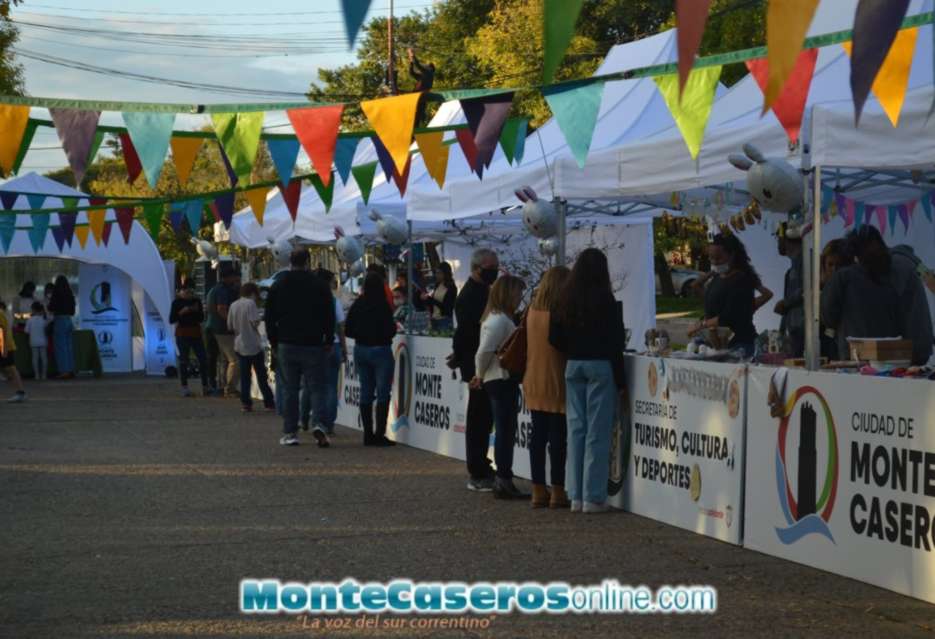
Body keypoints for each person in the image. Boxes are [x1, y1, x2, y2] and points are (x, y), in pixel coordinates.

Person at [549, 248, 625, 514]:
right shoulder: (606, 300)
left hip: (573, 365)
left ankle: (575, 494)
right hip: (601, 366)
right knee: (597, 432)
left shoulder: (564, 299)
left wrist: (573, 348)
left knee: (576, 429)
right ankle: (593, 496)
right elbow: (617, 343)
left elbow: (554, 337)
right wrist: (621, 381)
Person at [823, 226, 933, 365]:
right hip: (910, 351)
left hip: (900, 353)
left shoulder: (892, 270)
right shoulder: (905, 263)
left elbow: (829, 317)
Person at [265, 249, 335, 447]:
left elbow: (270, 316)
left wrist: (274, 340)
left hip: (287, 342)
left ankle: (290, 432)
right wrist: (328, 339)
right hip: (314, 343)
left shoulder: (279, 285)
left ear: (290, 261)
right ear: (308, 262)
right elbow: (329, 314)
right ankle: (319, 423)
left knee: (290, 390)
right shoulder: (320, 285)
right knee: (317, 388)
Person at [471, 275, 527, 499]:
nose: (519, 298)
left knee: (504, 429)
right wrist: (479, 374)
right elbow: (484, 351)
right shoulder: (500, 320)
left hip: (496, 378)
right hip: (500, 378)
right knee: (505, 430)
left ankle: (504, 477)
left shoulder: (495, 318)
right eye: (517, 293)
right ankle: (504, 478)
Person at [451, 248, 500, 492]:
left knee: (483, 417)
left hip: (479, 362)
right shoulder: (471, 295)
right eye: (492, 267)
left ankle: (481, 465)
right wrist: (465, 361)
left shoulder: (481, 291)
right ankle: (478, 469)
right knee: (479, 417)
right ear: (477, 268)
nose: (495, 271)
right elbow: (468, 335)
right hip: (477, 365)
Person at [523, 266, 571, 509]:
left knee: (537, 437)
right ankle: (558, 490)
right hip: (556, 378)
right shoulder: (560, 313)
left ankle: (537, 489)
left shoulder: (532, 311)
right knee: (558, 438)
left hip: (533, 377)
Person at [692, 233, 773, 358]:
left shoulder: (740, 279)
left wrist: (701, 325)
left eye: (718, 258)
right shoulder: (717, 277)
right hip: (721, 346)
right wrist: (712, 272)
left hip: (740, 346)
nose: (714, 262)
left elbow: (728, 316)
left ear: (732, 255)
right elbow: (697, 287)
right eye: (711, 258)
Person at [345, 272, 398, 446]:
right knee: (383, 393)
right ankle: (379, 434)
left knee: (366, 392)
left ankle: (368, 434)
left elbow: (348, 329)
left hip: (361, 349)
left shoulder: (358, 304)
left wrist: (361, 335)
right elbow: (391, 329)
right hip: (381, 349)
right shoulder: (383, 305)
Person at [228, 282, 275, 413]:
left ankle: (246, 403)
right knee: (261, 375)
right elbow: (255, 322)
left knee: (244, 376)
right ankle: (269, 402)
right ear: (253, 293)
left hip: (239, 343)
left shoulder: (233, 305)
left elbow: (230, 325)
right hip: (253, 343)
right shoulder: (251, 304)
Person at [314, 269, 346, 436]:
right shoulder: (334, 302)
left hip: (315, 347)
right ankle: (329, 423)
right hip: (333, 346)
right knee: (331, 387)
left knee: (316, 386)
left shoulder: (311, 301)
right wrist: (344, 347)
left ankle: (318, 421)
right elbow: (340, 326)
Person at [170, 277, 209, 397]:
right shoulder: (176, 303)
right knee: (184, 361)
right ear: (181, 292)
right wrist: (181, 312)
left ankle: (205, 386)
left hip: (195, 333)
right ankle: (184, 386)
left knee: (203, 359)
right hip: (182, 334)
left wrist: (194, 311)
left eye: (191, 292)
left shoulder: (196, 301)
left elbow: (201, 318)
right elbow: (171, 319)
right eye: (186, 292)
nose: (189, 294)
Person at [206, 265, 241, 398]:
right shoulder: (223, 291)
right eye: (235, 277)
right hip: (221, 329)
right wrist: (231, 323)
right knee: (234, 360)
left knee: (223, 359)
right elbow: (221, 309)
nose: (236, 279)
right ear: (229, 277)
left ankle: (221, 386)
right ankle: (230, 388)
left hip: (213, 327)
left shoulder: (215, 289)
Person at [774, 223, 805, 357]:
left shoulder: (806, 261)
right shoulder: (791, 270)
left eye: (778, 238)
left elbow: (808, 289)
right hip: (793, 329)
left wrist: (785, 303)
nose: (778, 243)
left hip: (803, 329)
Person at [819, 239, 853, 360]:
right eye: (830, 264)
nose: (834, 270)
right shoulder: (822, 291)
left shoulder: (854, 290)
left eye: (839, 265)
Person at [48, 275, 76, 379]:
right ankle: (71, 369)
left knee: (61, 347)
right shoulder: (70, 295)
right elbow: (73, 311)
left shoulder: (57, 294)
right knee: (69, 347)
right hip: (69, 320)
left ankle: (64, 371)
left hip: (59, 320)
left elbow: (51, 307)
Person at [0, 300, 26, 402]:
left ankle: (20, 392)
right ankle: (20, 392)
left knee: (11, 369)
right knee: (10, 370)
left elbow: (3, 332)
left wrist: (5, 348)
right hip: (5, 346)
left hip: (4, 346)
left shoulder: (0, 315)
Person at [422, 262, 457, 331]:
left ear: (445, 273)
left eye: (439, 273)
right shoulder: (437, 285)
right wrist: (426, 299)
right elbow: (434, 303)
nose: (437, 275)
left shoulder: (451, 288)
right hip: (434, 319)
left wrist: (430, 299)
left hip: (444, 321)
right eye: (436, 273)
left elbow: (447, 307)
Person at [408, 48, 435, 126]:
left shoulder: (429, 73)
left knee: (416, 116)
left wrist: (412, 55)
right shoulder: (423, 76)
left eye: (427, 66)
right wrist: (411, 63)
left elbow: (418, 65)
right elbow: (411, 73)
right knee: (414, 116)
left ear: (430, 68)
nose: (425, 67)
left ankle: (414, 133)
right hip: (417, 97)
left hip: (421, 97)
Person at [24, 301, 50, 380]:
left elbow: (26, 331)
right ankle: (44, 375)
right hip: (43, 341)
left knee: (35, 358)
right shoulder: (45, 320)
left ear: (33, 310)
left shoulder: (30, 320)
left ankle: (37, 375)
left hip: (33, 341)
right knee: (44, 358)